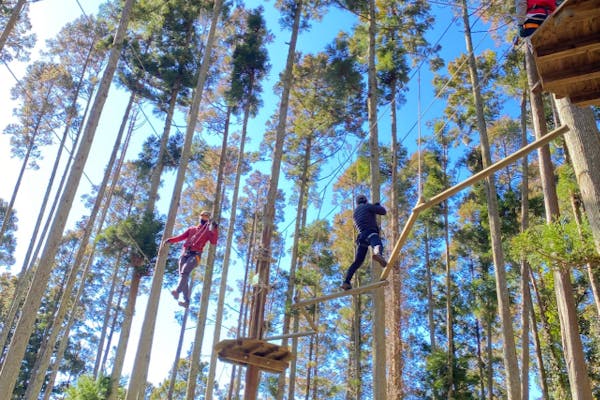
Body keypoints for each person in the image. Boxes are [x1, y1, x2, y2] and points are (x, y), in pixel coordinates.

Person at [163, 210, 218, 307]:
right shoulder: (192, 229)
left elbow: (213, 241)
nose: (204, 218)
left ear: (208, 219)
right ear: (200, 217)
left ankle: (177, 291)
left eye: (206, 217)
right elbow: (181, 237)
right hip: (184, 254)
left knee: (184, 272)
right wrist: (170, 240)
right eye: (203, 216)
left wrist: (215, 229)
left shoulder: (208, 232)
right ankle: (186, 301)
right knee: (183, 277)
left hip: (195, 255)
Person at [341, 194, 387, 291]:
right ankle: (378, 254)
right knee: (377, 244)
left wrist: (373, 208)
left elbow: (366, 217)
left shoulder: (355, 213)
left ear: (357, 203)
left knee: (357, 262)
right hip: (370, 231)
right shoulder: (368, 206)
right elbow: (383, 212)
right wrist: (377, 207)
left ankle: (346, 282)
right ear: (365, 201)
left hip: (362, 237)